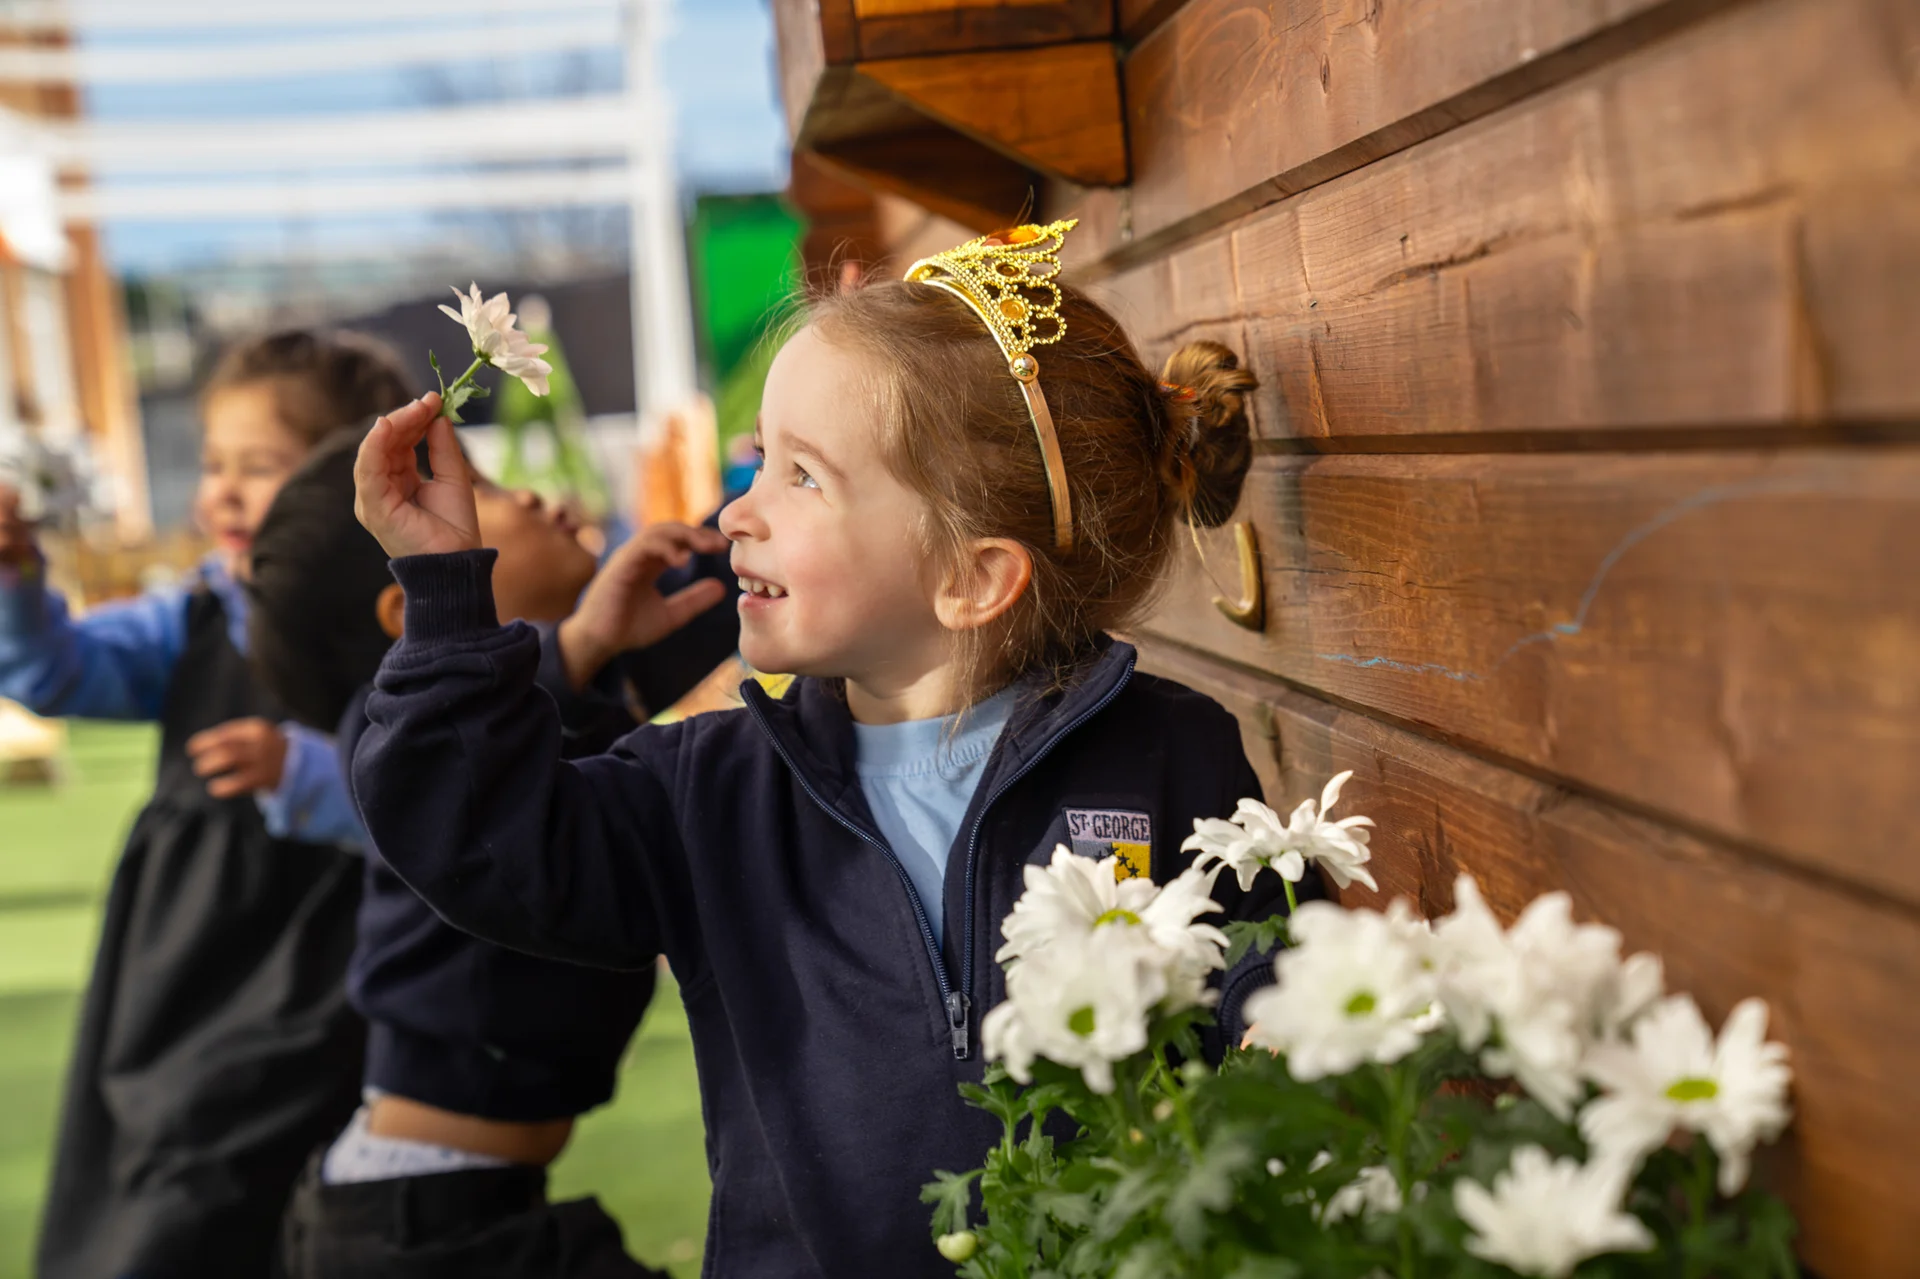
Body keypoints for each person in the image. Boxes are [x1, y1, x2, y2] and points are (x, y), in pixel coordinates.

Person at [347, 222, 1304, 1277]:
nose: (735, 509)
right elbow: (474, 838)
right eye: (760, 458)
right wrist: (444, 594)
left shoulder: (1175, 757)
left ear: (973, 578)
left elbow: (1275, 994)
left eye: (802, 476)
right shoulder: (707, 796)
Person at [240, 431, 736, 1276]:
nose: (532, 497)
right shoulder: (391, 728)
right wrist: (579, 644)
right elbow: (464, 749)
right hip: (420, 1226)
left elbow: (727, 582)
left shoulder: (562, 684)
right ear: (416, 608)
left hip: (448, 1200)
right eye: (479, 494)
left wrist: (777, 474)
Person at [0, 330, 411, 1278]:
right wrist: (20, 582)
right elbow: (56, 672)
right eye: (215, 461)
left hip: (307, 968)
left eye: (258, 466)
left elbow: (423, 812)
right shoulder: (190, 615)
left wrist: (303, 772)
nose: (220, 489)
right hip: (177, 962)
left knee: (252, 1191)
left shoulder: (385, 636)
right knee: (148, 1176)